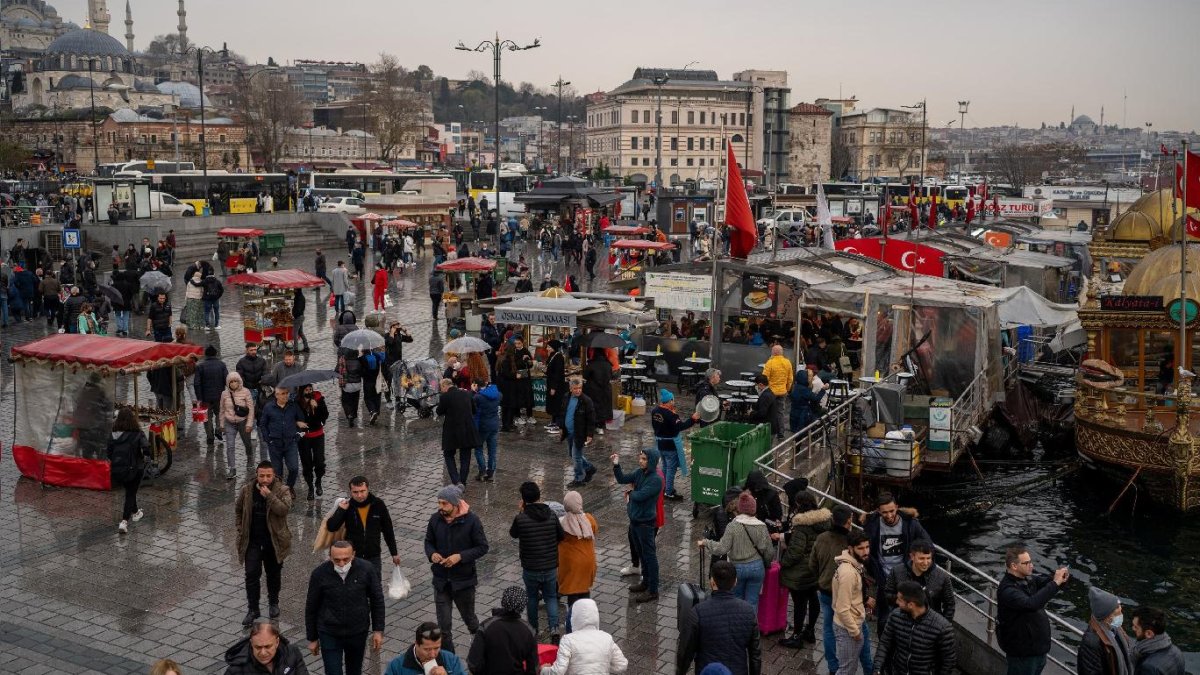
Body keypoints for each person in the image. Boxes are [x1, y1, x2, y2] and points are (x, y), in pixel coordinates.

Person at [424, 485, 489, 653]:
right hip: (441, 582)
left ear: (455, 504)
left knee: (470, 619)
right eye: (439, 503)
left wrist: (459, 556)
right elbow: (428, 542)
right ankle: (449, 661)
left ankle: (480, 642)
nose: (440, 507)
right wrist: (432, 554)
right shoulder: (435, 519)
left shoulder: (472, 521)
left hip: (464, 582)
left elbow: (482, 547)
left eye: (444, 503)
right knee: (444, 628)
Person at [304, 541, 386, 675]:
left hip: (357, 632)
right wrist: (312, 638)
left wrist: (378, 630)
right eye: (337, 560)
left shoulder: (367, 569)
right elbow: (311, 606)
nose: (342, 564)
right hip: (329, 632)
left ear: (353, 555)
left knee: (354, 671)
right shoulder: (319, 574)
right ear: (330, 557)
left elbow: (377, 599)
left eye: (345, 559)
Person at [677, 560, 762, 675]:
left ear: (712, 582)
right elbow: (755, 654)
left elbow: (685, 652)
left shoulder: (698, 612)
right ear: (735, 582)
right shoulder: (748, 611)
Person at [235, 461, 293, 627]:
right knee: (251, 575)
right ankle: (253, 609)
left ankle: (273, 602)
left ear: (274, 475)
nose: (265, 479)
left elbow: (283, 510)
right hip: (252, 541)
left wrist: (269, 496)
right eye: (262, 476)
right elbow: (238, 509)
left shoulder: (282, 490)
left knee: (273, 574)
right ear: (257, 475)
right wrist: (240, 528)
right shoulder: (247, 490)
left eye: (268, 476)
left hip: (274, 541)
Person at [996, 544, 1069, 675]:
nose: (1032, 565)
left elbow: (1046, 583)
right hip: (1022, 654)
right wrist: (1055, 583)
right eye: (1027, 563)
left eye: (1031, 562)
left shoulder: (1028, 578)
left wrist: (1060, 578)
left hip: (1036, 650)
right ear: (1014, 566)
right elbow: (1031, 604)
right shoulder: (1008, 590)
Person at [863, 492, 931, 628]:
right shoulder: (872, 524)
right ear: (878, 511)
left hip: (905, 576)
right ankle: (884, 644)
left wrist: (915, 560)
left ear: (897, 508)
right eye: (884, 513)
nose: (889, 516)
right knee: (883, 620)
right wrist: (872, 570)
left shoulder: (911, 524)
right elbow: (866, 550)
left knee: (906, 616)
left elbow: (928, 544)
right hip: (883, 577)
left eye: (892, 511)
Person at [698, 491, 772, 613]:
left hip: (738, 569)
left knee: (737, 601)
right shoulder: (762, 526)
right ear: (754, 508)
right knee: (752, 602)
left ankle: (737, 629)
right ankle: (751, 629)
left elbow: (722, 548)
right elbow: (769, 552)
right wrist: (766, 564)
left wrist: (706, 542)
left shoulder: (733, 526)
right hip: (757, 568)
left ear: (740, 508)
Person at [510, 481, 566, 638]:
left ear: (523, 500)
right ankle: (554, 628)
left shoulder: (521, 518)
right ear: (539, 496)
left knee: (532, 598)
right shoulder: (551, 514)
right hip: (549, 566)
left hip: (530, 567)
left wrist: (521, 512)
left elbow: (513, 534)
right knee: (551, 597)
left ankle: (533, 629)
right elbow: (561, 536)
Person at [811, 505, 860, 673]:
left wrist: (822, 576)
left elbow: (812, 563)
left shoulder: (822, 537)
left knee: (828, 627)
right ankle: (851, 663)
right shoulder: (852, 542)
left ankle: (833, 665)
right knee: (849, 628)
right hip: (846, 593)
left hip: (825, 589)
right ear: (849, 521)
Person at [327, 476, 401, 586]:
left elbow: (388, 530)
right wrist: (341, 510)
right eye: (355, 492)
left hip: (373, 555)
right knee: (354, 587)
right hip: (353, 557)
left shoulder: (378, 505)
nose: (359, 495)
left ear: (368, 489)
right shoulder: (348, 506)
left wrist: (394, 553)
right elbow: (332, 527)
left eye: (362, 491)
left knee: (375, 587)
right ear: (350, 491)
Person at [779, 493, 830, 648]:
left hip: (801, 571)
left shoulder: (802, 525)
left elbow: (796, 551)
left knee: (799, 603)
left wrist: (783, 562)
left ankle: (796, 636)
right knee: (813, 598)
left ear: (799, 504)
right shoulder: (825, 520)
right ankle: (810, 631)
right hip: (817, 568)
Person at [872, 582, 956, 675]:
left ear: (911, 605)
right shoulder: (895, 616)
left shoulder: (942, 627)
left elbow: (949, 661)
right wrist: (877, 667)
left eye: (900, 600)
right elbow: (885, 643)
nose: (896, 602)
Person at [612, 448, 662, 603]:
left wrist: (630, 493)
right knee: (641, 554)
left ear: (651, 461)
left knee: (649, 556)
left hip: (646, 524)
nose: (641, 461)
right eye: (640, 458)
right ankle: (645, 582)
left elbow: (640, 496)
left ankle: (653, 590)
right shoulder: (639, 472)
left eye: (644, 459)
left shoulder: (656, 479)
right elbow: (622, 479)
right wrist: (616, 465)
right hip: (635, 521)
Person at [541, 598, 627, 675]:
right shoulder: (607, 638)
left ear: (573, 618)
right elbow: (622, 665)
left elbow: (558, 671)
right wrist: (602, 664)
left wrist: (544, 670)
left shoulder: (568, 640)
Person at [467, 586, 539, 675]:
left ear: (503, 601)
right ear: (523, 606)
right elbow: (533, 668)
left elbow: (473, 663)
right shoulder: (529, 632)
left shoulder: (486, 626)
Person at [556, 490, 598, 633]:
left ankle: (572, 630)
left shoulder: (562, 523)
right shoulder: (589, 519)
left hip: (571, 566)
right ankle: (587, 624)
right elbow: (595, 530)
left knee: (573, 600)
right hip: (588, 562)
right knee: (585, 593)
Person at [833, 531, 874, 675]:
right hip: (848, 627)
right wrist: (855, 631)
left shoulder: (854, 564)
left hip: (855, 621)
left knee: (852, 666)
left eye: (867, 547)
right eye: (861, 548)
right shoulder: (848, 573)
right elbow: (842, 608)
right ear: (851, 549)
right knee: (847, 669)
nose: (866, 552)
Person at [883, 541, 955, 623]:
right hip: (902, 621)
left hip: (930, 624)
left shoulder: (942, 577)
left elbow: (950, 604)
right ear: (912, 556)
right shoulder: (896, 572)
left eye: (928, 558)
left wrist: (943, 626)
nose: (925, 563)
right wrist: (904, 602)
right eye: (921, 558)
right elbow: (887, 594)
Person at [107, 407, 150, 534]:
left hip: (118, 469)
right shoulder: (138, 433)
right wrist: (144, 457)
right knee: (130, 493)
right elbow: (146, 448)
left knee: (130, 490)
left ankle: (136, 512)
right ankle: (124, 521)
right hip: (135, 468)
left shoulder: (113, 435)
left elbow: (108, 452)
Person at [258, 386, 308, 492]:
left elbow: (301, 420)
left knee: (294, 468)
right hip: (275, 444)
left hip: (291, 442)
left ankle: (289, 488)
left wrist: (297, 435)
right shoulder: (269, 407)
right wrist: (268, 439)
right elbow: (263, 424)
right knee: (277, 471)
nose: (286, 396)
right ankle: (279, 491)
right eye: (283, 393)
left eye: (287, 393)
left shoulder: (293, 406)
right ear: (276, 395)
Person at [652, 389, 699, 500]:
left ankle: (663, 488)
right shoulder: (670, 415)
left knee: (664, 467)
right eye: (672, 400)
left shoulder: (655, 411)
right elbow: (680, 427)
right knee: (671, 470)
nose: (674, 402)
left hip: (660, 444)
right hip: (670, 446)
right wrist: (693, 419)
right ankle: (668, 492)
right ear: (669, 401)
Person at [1077, 586, 1133, 675]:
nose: (1121, 616)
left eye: (1121, 611)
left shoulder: (1115, 628)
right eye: (1117, 614)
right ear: (1107, 617)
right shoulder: (1091, 642)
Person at [223, 618, 309, 675]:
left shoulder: (292, 652)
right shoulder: (237, 670)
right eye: (258, 647)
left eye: (267, 646)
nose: (263, 653)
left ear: (277, 642)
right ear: (251, 643)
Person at [436, 378, 480, 487]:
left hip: (452, 431)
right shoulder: (467, 394)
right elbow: (474, 410)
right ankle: (463, 481)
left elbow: (439, 411)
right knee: (465, 457)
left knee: (448, 454)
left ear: (445, 386)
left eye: (441, 388)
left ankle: (456, 481)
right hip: (467, 429)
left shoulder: (445, 397)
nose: (441, 390)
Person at [385, 622, 468, 675]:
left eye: (436, 648)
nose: (432, 655)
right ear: (416, 644)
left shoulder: (451, 660)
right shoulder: (396, 666)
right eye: (427, 649)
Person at [559, 378, 597, 489]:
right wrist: (561, 427)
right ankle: (589, 468)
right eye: (575, 388)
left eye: (579, 388)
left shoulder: (586, 401)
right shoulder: (566, 397)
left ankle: (579, 478)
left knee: (576, 456)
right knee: (573, 454)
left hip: (579, 433)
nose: (578, 391)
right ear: (570, 389)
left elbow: (591, 419)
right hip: (569, 432)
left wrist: (590, 434)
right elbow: (563, 412)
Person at [1130, 606, 1186, 675]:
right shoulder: (1176, 651)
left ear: (1149, 634)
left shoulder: (1148, 667)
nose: (1133, 628)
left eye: (1136, 627)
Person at [220, 372, 256, 480]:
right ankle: (232, 468)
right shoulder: (224, 394)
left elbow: (251, 409)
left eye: (235, 381)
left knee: (247, 443)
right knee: (230, 446)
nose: (233, 383)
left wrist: (249, 424)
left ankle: (249, 456)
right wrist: (221, 424)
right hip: (229, 422)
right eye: (231, 381)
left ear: (239, 381)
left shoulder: (246, 392)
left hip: (242, 421)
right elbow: (222, 410)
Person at [194, 344, 230, 448]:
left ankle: (210, 436)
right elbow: (227, 380)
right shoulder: (222, 365)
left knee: (207, 418)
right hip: (219, 396)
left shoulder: (200, 366)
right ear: (215, 353)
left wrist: (199, 398)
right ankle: (218, 430)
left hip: (205, 398)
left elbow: (197, 383)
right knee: (219, 414)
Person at [297, 383, 329, 498]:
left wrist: (317, 406)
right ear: (302, 390)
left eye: (310, 389)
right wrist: (297, 423)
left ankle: (318, 481)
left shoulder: (319, 399)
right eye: (306, 389)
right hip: (304, 437)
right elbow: (293, 417)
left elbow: (325, 415)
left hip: (318, 435)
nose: (309, 391)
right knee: (307, 463)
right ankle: (310, 486)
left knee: (319, 461)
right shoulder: (297, 402)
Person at [471, 377, 502, 481]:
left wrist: (473, 391)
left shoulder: (478, 397)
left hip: (483, 426)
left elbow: (472, 403)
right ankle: (491, 473)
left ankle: (482, 471)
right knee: (492, 450)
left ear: (477, 385)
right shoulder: (497, 394)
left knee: (478, 448)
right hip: (494, 424)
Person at [761, 345, 794, 435]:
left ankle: (770, 431)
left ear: (773, 352)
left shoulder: (770, 362)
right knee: (780, 412)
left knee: (769, 412)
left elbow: (764, 378)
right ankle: (781, 432)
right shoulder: (787, 362)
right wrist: (787, 389)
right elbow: (790, 378)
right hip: (783, 391)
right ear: (781, 352)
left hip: (771, 392)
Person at [543, 340, 567, 435]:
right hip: (551, 384)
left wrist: (553, 387)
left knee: (557, 404)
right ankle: (553, 422)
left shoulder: (558, 357)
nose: (547, 348)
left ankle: (558, 424)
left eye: (549, 347)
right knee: (552, 403)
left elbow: (557, 373)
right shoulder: (552, 355)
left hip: (556, 385)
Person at [291, 287, 309, 352]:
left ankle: (296, 349)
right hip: (301, 316)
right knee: (300, 332)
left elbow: (298, 308)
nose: (293, 290)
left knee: (294, 333)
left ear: (297, 290)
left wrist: (294, 314)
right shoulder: (301, 296)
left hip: (298, 317)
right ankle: (306, 347)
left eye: (294, 289)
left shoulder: (298, 298)